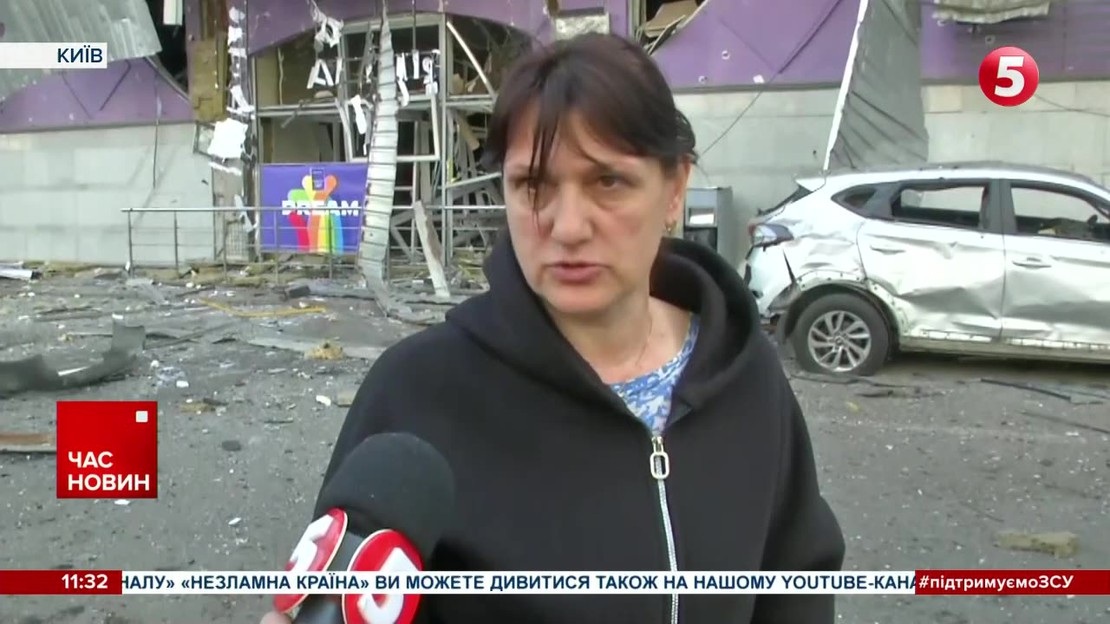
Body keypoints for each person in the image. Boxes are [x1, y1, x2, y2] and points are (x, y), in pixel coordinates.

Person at [262, 32, 844, 624]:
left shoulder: (746, 378)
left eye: (607, 182)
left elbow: (795, 585)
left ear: (674, 189)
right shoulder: (415, 392)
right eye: (534, 186)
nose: (567, 227)